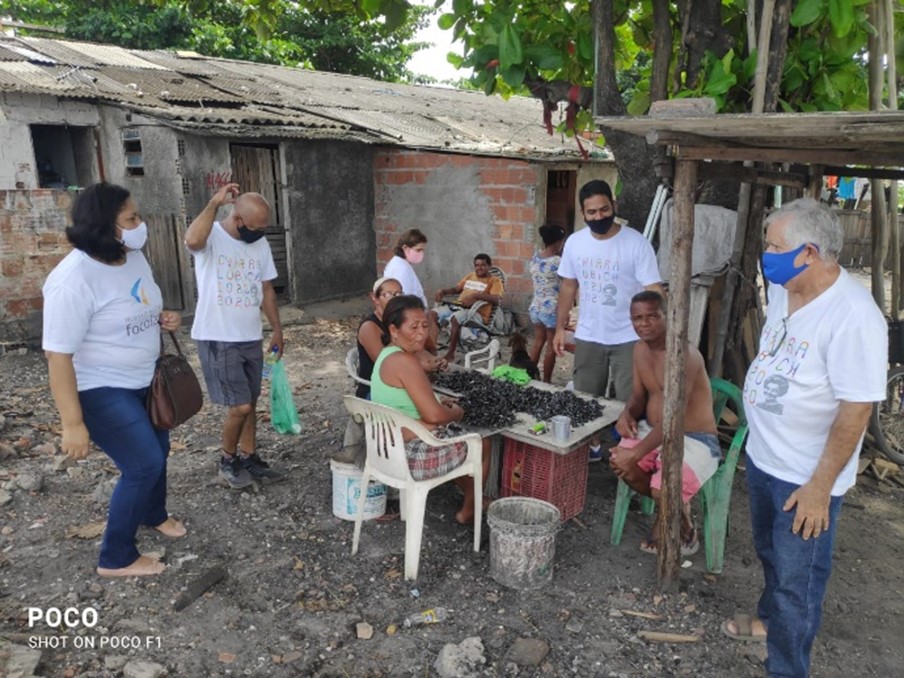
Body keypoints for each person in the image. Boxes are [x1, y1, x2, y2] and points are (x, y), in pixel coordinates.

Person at [723, 199, 885, 678]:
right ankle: (769, 622)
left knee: (799, 582)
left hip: (805, 478)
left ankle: (787, 668)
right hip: (764, 458)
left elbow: (856, 411)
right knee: (771, 555)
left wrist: (819, 488)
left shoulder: (855, 317)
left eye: (774, 246)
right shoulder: (783, 290)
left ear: (809, 252)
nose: (765, 253)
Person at [43, 182, 185, 578]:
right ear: (104, 226)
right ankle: (116, 557)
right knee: (142, 464)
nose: (140, 225)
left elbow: (139, 305)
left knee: (159, 450)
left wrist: (163, 317)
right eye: (131, 219)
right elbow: (58, 357)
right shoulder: (72, 280)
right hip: (100, 387)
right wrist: (72, 424)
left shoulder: (132, 257)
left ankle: (153, 514)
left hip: (145, 379)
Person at [553, 179, 664, 462]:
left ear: (613, 206)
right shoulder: (575, 243)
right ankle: (588, 451)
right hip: (589, 335)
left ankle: (632, 457)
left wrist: (658, 334)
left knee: (632, 401)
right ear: (583, 213)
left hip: (630, 338)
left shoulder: (636, 243)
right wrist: (558, 328)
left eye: (604, 210)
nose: (599, 217)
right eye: (592, 213)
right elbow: (568, 286)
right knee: (584, 399)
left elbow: (653, 289)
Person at [185, 183, 286, 489]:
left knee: (251, 400)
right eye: (256, 226)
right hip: (218, 337)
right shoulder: (212, 235)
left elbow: (267, 289)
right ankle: (227, 460)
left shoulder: (260, 244)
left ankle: (249, 456)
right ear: (239, 219)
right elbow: (192, 239)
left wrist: (278, 330)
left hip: (250, 336)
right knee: (239, 405)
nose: (261, 233)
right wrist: (213, 203)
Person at [609, 291, 720, 555]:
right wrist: (627, 414)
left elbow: (674, 419)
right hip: (652, 430)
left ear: (667, 316)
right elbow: (637, 396)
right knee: (619, 463)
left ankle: (678, 525)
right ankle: (674, 510)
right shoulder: (639, 350)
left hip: (694, 437)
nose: (644, 324)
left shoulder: (685, 356)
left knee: (664, 485)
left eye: (652, 316)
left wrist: (636, 451)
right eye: (637, 318)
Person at [371, 295, 492, 524]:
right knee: (483, 442)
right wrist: (456, 412)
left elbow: (412, 402)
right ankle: (468, 510)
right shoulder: (405, 362)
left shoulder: (386, 355)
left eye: (425, 325)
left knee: (456, 434)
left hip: (387, 447)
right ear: (394, 329)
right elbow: (434, 416)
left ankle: (474, 496)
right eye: (413, 327)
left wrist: (436, 402)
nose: (422, 333)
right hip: (408, 455)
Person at [433, 253, 504, 363]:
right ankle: (431, 349)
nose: (479, 268)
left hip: (476, 313)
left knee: (454, 319)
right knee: (432, 314)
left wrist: (476, 296)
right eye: (477, 265)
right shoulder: (470, 276)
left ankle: (450, 354)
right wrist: (443, 291)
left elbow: (497, 299)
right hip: (458, 306)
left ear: (489, 266)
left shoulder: (494, 281)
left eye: (483, 265)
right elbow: (456, 289)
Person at [528, 224, 566, 382]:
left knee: (538, 343)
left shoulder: (535, 257)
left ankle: (529, 377)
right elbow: (567, 285)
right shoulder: (558, 262)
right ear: (558, 242)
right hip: (551, 310)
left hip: (536, 307)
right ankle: (546, 382)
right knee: (551, 347)